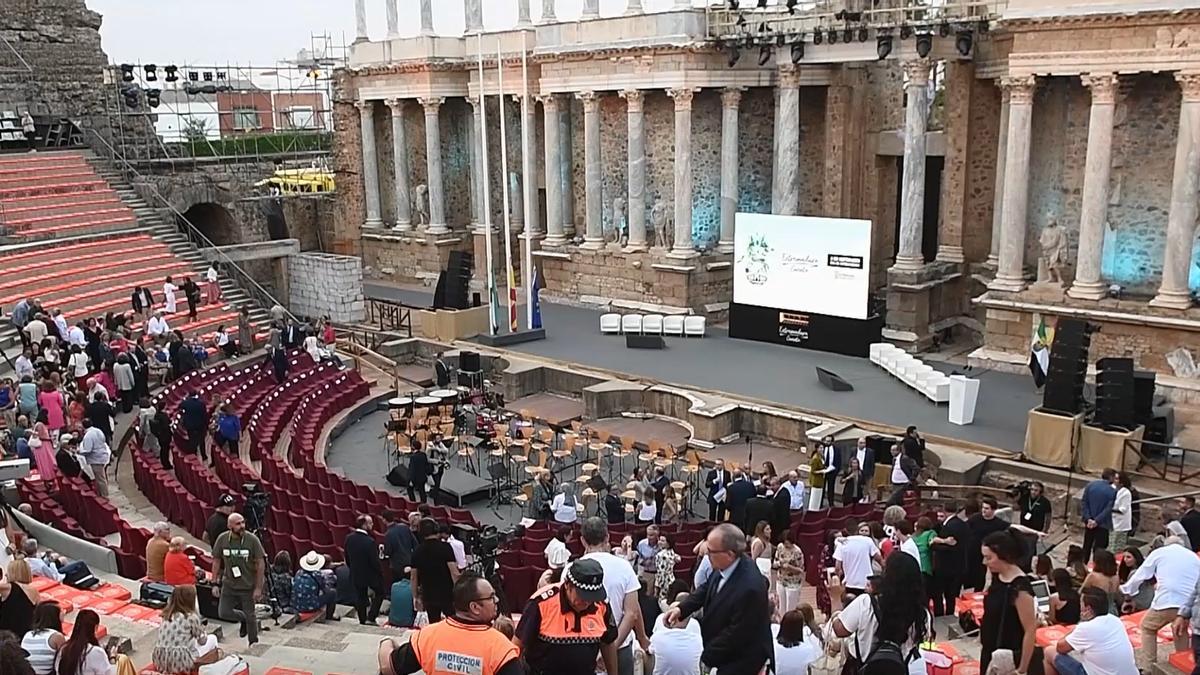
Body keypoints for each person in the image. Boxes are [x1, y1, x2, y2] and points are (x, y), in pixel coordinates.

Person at [663, 523, 773, 675]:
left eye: (711, 551)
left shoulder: (750, 588)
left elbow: (736, 634)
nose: (707, 555)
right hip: (725, 654)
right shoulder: (725, 565)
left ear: (729, 554)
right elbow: (706, 588)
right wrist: (681, 609)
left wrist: (706, 657)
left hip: (740, 662)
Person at [379, 573, 520, 675]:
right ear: (475, 607)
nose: (496, 600)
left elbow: (388, 667)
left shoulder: (428, 636)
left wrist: (386, 642)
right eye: (491, 597)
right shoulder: (501, 648)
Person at [515, 559, 619, 675]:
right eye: (582, 596)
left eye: (592, 597)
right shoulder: (541, 603)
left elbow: (608, 642)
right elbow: (517, 645)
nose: (587, 602)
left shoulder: (601, 605)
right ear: (568, 585)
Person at [833, 552, 930, 674]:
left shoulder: (866, 603)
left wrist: (835, 599)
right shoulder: (921, 614)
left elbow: (839, 630)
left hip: (863, 669)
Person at [1119, 528, 1199, 670]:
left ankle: (1149, 667)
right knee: (1180, 630)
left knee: (1147, 627)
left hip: (1167, 599)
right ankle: (1181, 664)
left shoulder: (1160, 553)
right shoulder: (1193, 557)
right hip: (1188, 603)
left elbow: (1141, 574)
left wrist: (1126, 590)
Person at [579, 518, 647, 675]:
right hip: (620, 647)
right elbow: (632, 613)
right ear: (607, 537)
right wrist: (611, 648)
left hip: (583, 647)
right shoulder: (624, 567)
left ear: (583, 540)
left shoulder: (571, 569)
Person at [979, 530, 1040, 675]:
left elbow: (1030, 630)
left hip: (1008, 655)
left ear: (1004, 556)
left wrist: (1022, 670)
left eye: (988, 558)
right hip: (989, 650)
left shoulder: (1020, 588)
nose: (984, 562)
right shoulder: (996, 576)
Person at [1044, 586, 1137, 675]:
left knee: (1049, 651)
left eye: (1081, 603)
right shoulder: (1115, 620)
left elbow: (1060, 648)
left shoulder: (1086, 628)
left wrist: (1081, 624)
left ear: (1088, 608)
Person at [211, 512, 266, 646]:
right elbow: (216, 561)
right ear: (229, 526)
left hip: (247, 585)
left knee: (251, 616)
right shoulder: (222, 539)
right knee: (223, 612)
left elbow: (260, 563)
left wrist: (259, 587)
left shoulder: (252, 540)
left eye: (243, 522)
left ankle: (253, 642)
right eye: (238, 524)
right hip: (229, 584)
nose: (242, 526)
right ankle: (243, 619)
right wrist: (214, 583)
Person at [152, 585, 222, 674]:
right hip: (180, 661)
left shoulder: (166, 615)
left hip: (160, 659)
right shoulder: (191, 617)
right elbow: (202, 641)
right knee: (212, 638)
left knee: (189, 641)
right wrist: (202, 631)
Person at [411, 517, 460, 623]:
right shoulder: (445, 547)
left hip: (428, 594)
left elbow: (414, 577)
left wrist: (415, 596)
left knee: (434, 623)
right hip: (447, 593)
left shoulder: (417, 551)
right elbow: (454, 573)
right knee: (454, 622)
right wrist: (459, 592)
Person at [53, 609, 130, 675]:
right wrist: (112, 657)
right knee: (123, 660)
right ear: (95, 627)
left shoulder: (64, 648)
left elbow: (57, 670)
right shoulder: (94, 652)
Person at [345, 514, 384, 625]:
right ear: (364, 525)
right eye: (370, 523)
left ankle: (362, 620)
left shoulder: (349, 538)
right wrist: (380, 572)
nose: (372, 525)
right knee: (380, 593)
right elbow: (374, 562)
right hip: (370, 574)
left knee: (360, 597)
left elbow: (347, 557)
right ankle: (371, 617)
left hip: (356, 572)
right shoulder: (369, 541)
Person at [967, 496, 1009, 590]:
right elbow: (964, 529)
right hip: (973, 551)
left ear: (993, 510)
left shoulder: (999, 523)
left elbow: (1013, 528)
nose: (983, 510)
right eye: (983, 508)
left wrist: (1036, 532)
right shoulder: (975, 518)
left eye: (986, 508)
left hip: (989, 553)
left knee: (986, 574)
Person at [834, 520, 882, 597]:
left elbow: (837, 567)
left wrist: (839, 581)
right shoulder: (867, 540)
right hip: (866, 583)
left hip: (849, 583)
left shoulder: (841, 544)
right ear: (857, 530)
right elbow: (879, 559)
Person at [1081, 468, 1118, 563]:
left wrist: (1088, 518)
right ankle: (1095, 566)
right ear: (1111, 477)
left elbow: (1084, 502)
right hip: (1102, 524)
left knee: (1087, 545)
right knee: (1099, 548)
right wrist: (1096, 521)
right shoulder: (1112, 491)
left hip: (1089, 522)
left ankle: (1083, 564)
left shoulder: (1090, 485)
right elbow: (1108, 509)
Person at [292, 551, 340, 621]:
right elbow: (325, 590)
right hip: (310, 606)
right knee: (332, 593)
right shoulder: (318, 575)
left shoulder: (298, 572)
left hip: (297, 605)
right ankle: (329, 616)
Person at [21, 601, 66, 675]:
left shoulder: (28, 634)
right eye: (61, 611)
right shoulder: (56, 637)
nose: (64, 613)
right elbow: (63, 660)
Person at [773, 529, 804, 616]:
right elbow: (775, 562)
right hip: (781, 580)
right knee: (781, 608)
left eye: (788, 543)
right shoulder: (780, 547)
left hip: (793, 583)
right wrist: (780, 564)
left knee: (790, 609)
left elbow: (800, 570)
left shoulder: (797, 552)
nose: (786, 545)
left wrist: (790, 567)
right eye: (785, 543)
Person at [77, 420, 110, 497]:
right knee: (100, 477)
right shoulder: (98, 430)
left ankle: (105, 495)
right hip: (102, 455)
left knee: (100, 478)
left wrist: (80, 451)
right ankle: (100, 494)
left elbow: (88, 450)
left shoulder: (88, 435)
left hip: (96, 459)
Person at [382, 509, 418, 581]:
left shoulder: (388, 534)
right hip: (410, 560)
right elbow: (415, 543)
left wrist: (383, 550)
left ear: (384, 520)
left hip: (397, 566)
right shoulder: (404, 527)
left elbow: (388, 552)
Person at [179, 392, 208, 460]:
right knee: (202, 441)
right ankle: (204, 455)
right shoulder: (201, 403)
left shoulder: (186, 403)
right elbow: (204, 414)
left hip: (190, 425)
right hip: (200, 425)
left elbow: (180, 406)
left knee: (192, 440)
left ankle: (194, 455)